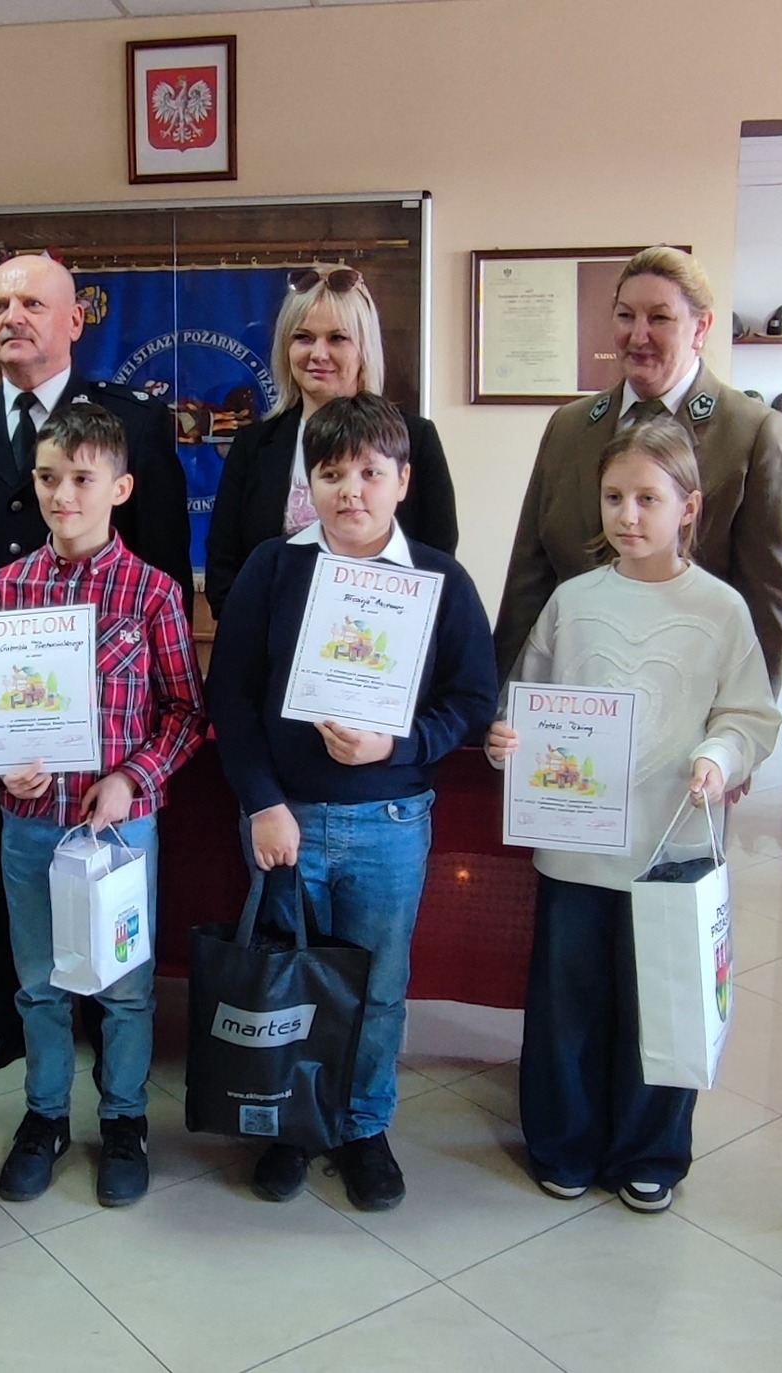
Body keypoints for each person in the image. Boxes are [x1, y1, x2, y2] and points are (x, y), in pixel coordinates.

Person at [204, 394, 497, 1212]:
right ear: (310, 485)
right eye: (331, 474)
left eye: (370, 472)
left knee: (376, 986)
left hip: (388, 821)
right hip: (285, 820)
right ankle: (289, 1121)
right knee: (286, 977)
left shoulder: (438, 579)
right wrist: (262, 802)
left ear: (402, 480)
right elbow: (231, 696)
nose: (351, 491)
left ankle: (364, 1125)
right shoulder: (273, 567)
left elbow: (471, 698)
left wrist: (396, 746)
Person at [484, 416, 780, 1214]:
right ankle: (563, 1141)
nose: (627, 514)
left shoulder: (719, 609)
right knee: (567, 1002)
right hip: (576, 844)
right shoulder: (573, 601)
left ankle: (650, 1149)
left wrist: (719, 755)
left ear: (688, 506)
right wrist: (507, 738)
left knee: (661, 995)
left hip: (668, 842)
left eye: (648, 498)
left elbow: (749, 715)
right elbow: (526, 697)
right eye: (613, 497)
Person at [0, 251, 190, 1084]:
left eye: (33, 303)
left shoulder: (130, 421)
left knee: (108, 903)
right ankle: (14, 1014)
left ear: (74, 321)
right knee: (10, 874)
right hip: (7, 720)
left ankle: (109, 1043)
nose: (13, 316)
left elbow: (162, 562)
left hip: (110, 726)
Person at [0, 402, 206, 1210]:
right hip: (31, 826)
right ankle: (44, 1115)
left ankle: (123, 1119)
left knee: (123, 989)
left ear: (119, 487)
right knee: (38, 983)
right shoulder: (5, 588)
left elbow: (184, 712)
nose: (62, 494)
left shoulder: (151, 592)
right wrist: (3, 768)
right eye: (47, 477)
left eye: (81, 478)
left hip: (118, 831)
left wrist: (133, 777)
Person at [491, 246, 782, 690]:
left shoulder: (751, 433)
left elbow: (771, 597)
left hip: (687, 697)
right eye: (625, 316)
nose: (638, 335)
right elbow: (529, 578)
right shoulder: (569, 427)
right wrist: (502, 697)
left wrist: (743, 717)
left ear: (701, 327)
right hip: (575, 696)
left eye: (659, 318)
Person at [203, 265, 458, 618]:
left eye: (337, 338)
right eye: (304, 337)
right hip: (272, 641)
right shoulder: (252, 445)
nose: (318, 353)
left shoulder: (417, 439)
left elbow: (437, 562)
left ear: (364, 347)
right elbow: (223, 569)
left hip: (381, 639)